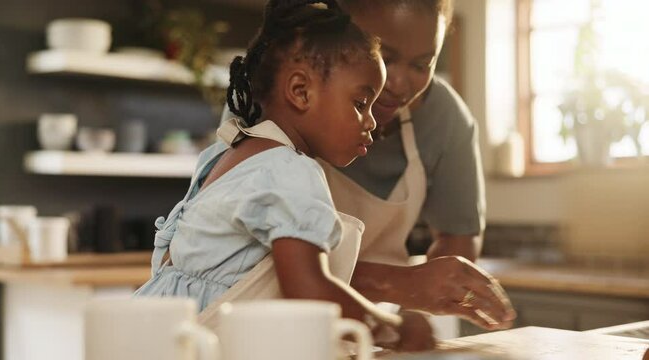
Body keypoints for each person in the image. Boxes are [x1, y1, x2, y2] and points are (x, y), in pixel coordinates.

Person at [137, 0, 436, 351]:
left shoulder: (226, 153)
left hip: (155, 338)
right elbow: (311, 293)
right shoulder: (291, 171)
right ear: (300, 91)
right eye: (360, 103)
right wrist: (392, 329)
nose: (371, 121)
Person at [315, 0, 518, 330]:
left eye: (422, 65)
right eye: (385, 58)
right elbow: (260, 262)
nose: (399, 84)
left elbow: (458, 237)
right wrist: (397, 284)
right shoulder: (277, 101)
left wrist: (414, 311)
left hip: (372, 328)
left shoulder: (446, 120)